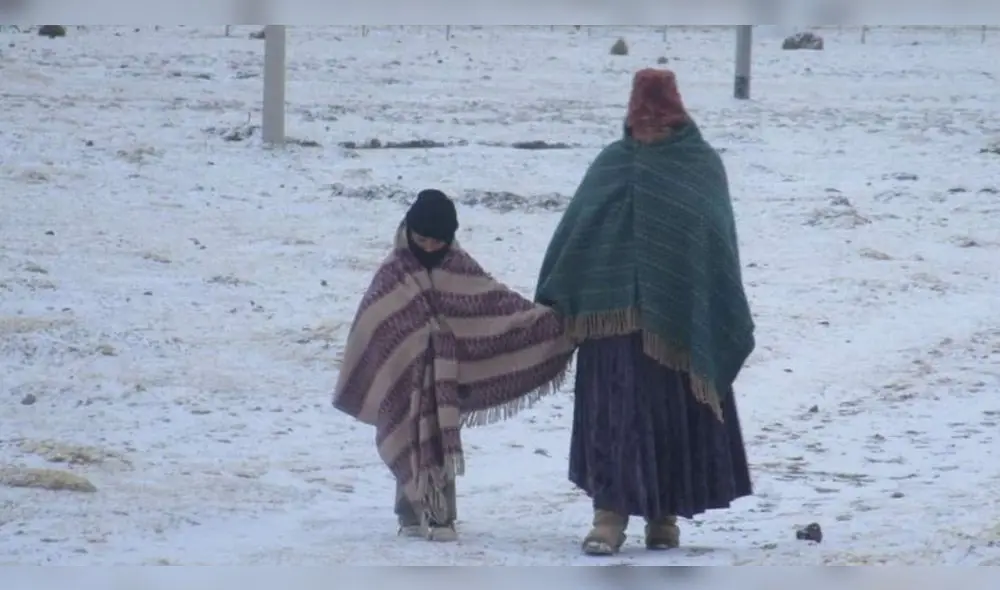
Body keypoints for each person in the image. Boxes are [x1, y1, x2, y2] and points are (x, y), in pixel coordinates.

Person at [534, 69, 756, 556]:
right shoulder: (611, 164)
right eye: (642, 120)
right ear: (629, 119)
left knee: (670, 418)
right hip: (612, 325)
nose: (650, 129)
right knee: (615, 418)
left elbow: (712, 243)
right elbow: (578, 231)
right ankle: (609, 516)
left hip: (676, 327)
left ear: (677, 119)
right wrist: (559, 293)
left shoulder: (699, 166)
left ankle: (664, 516)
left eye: (660, 121)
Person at [333, 189, 575, 542]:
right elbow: (373, 324)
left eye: (439, 241)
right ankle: (410, 512)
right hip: (404, 375)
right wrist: (411, 347)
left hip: (444, 378)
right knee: (406, 424)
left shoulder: (460, 266)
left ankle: (440, 512)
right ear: (409, 232)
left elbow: (496, 306)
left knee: (438, 427)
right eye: (423, 239)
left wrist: (551, 325)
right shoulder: (391, 274)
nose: (430, 247)